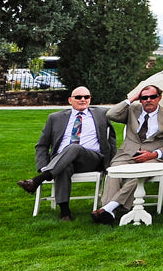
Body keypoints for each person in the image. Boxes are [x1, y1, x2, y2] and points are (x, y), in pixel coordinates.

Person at [19, 86, 117, 220]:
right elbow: (42, 145)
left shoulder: (101, 114)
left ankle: (37, 180)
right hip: (62, 160)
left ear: (90, 99)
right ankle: (65, 213)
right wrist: (42, 165)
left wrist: (112, 162)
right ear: (70, 100)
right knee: (64, 166)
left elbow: (113, 135)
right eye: (78, 97)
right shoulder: (55, 117)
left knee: (74, 148)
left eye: (86, 97)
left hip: (91, 159)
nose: (83, 99)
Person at [92, 84, 163, 226]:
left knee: (137, 175)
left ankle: (108, 208)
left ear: (159, 98)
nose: (148, 100)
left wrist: (153, 154)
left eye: (152, 97)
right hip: (127, 154)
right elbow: (110, 114)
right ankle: (110, 212)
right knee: (115, 173)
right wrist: (132, 99)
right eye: (144, 98)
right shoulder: (132, 109)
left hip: (153, 157)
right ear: (140, 99)